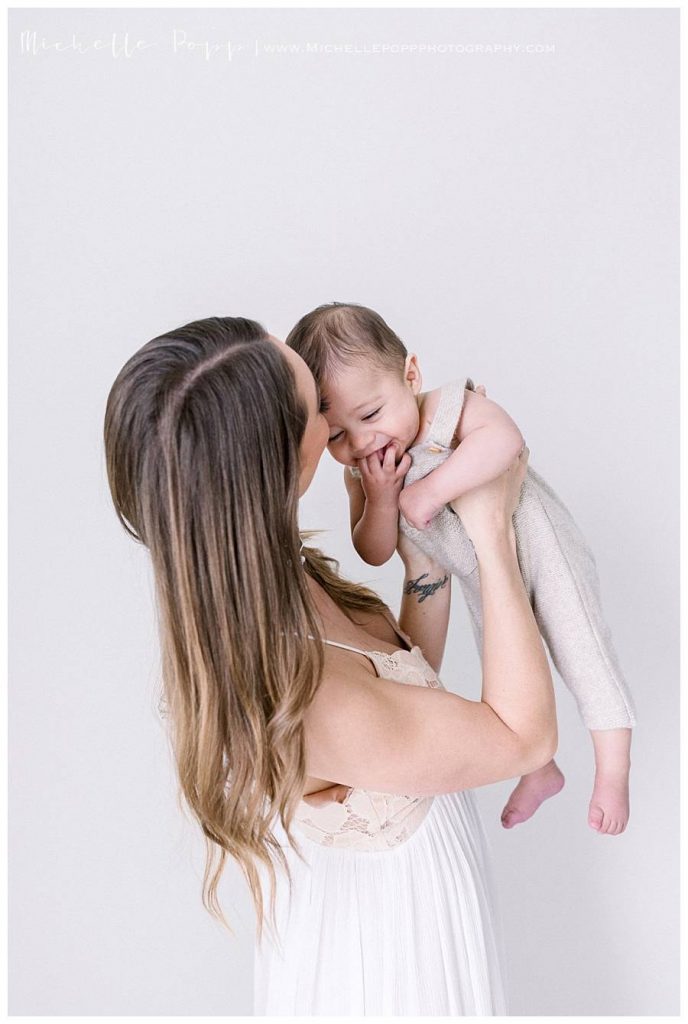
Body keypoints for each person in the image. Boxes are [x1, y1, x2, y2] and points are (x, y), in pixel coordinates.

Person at [104, 315, 557, 1015]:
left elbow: (407, 703)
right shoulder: (305, 689)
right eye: (318, 405)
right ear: (290, 464)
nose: (338, 411)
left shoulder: (277, 578)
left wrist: (424, 566)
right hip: (394, 970)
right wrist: (491, 529)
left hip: (420, 927)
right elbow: (522, 738)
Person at [287, 302, 635, 835]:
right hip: (477, 568)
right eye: (336, 436)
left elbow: (505, 441)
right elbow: (376, 551)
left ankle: (613, 770)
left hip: (539, 546)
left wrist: (430, 490)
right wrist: (380, 500)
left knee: (579, 643)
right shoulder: (362, 473)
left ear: (411, 375)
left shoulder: (449, 410)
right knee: (505, 665)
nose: (361, 443)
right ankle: (539, 770)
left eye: (372, 415)